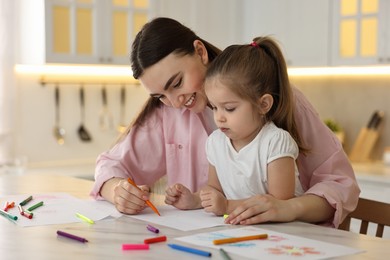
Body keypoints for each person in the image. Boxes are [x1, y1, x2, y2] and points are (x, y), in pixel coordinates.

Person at [90, 17, 360, 228]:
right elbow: (111, 165)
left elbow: (340, 184)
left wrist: (290, 208)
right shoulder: (167, 114)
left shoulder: (282, 100)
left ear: (200, 51)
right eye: (161, 95)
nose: (174, 103)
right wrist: (117, 191)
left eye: (177, 83)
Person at [193, 37, 305, 220]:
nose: (219, 117)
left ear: (263, 105)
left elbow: (278, 205)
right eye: (214, 107)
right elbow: (214, 189)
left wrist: (227, 205)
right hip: (244, 231)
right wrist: (194, 199)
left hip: (284, 235)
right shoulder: (215, 142)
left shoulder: (275, 142)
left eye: (229, 108)